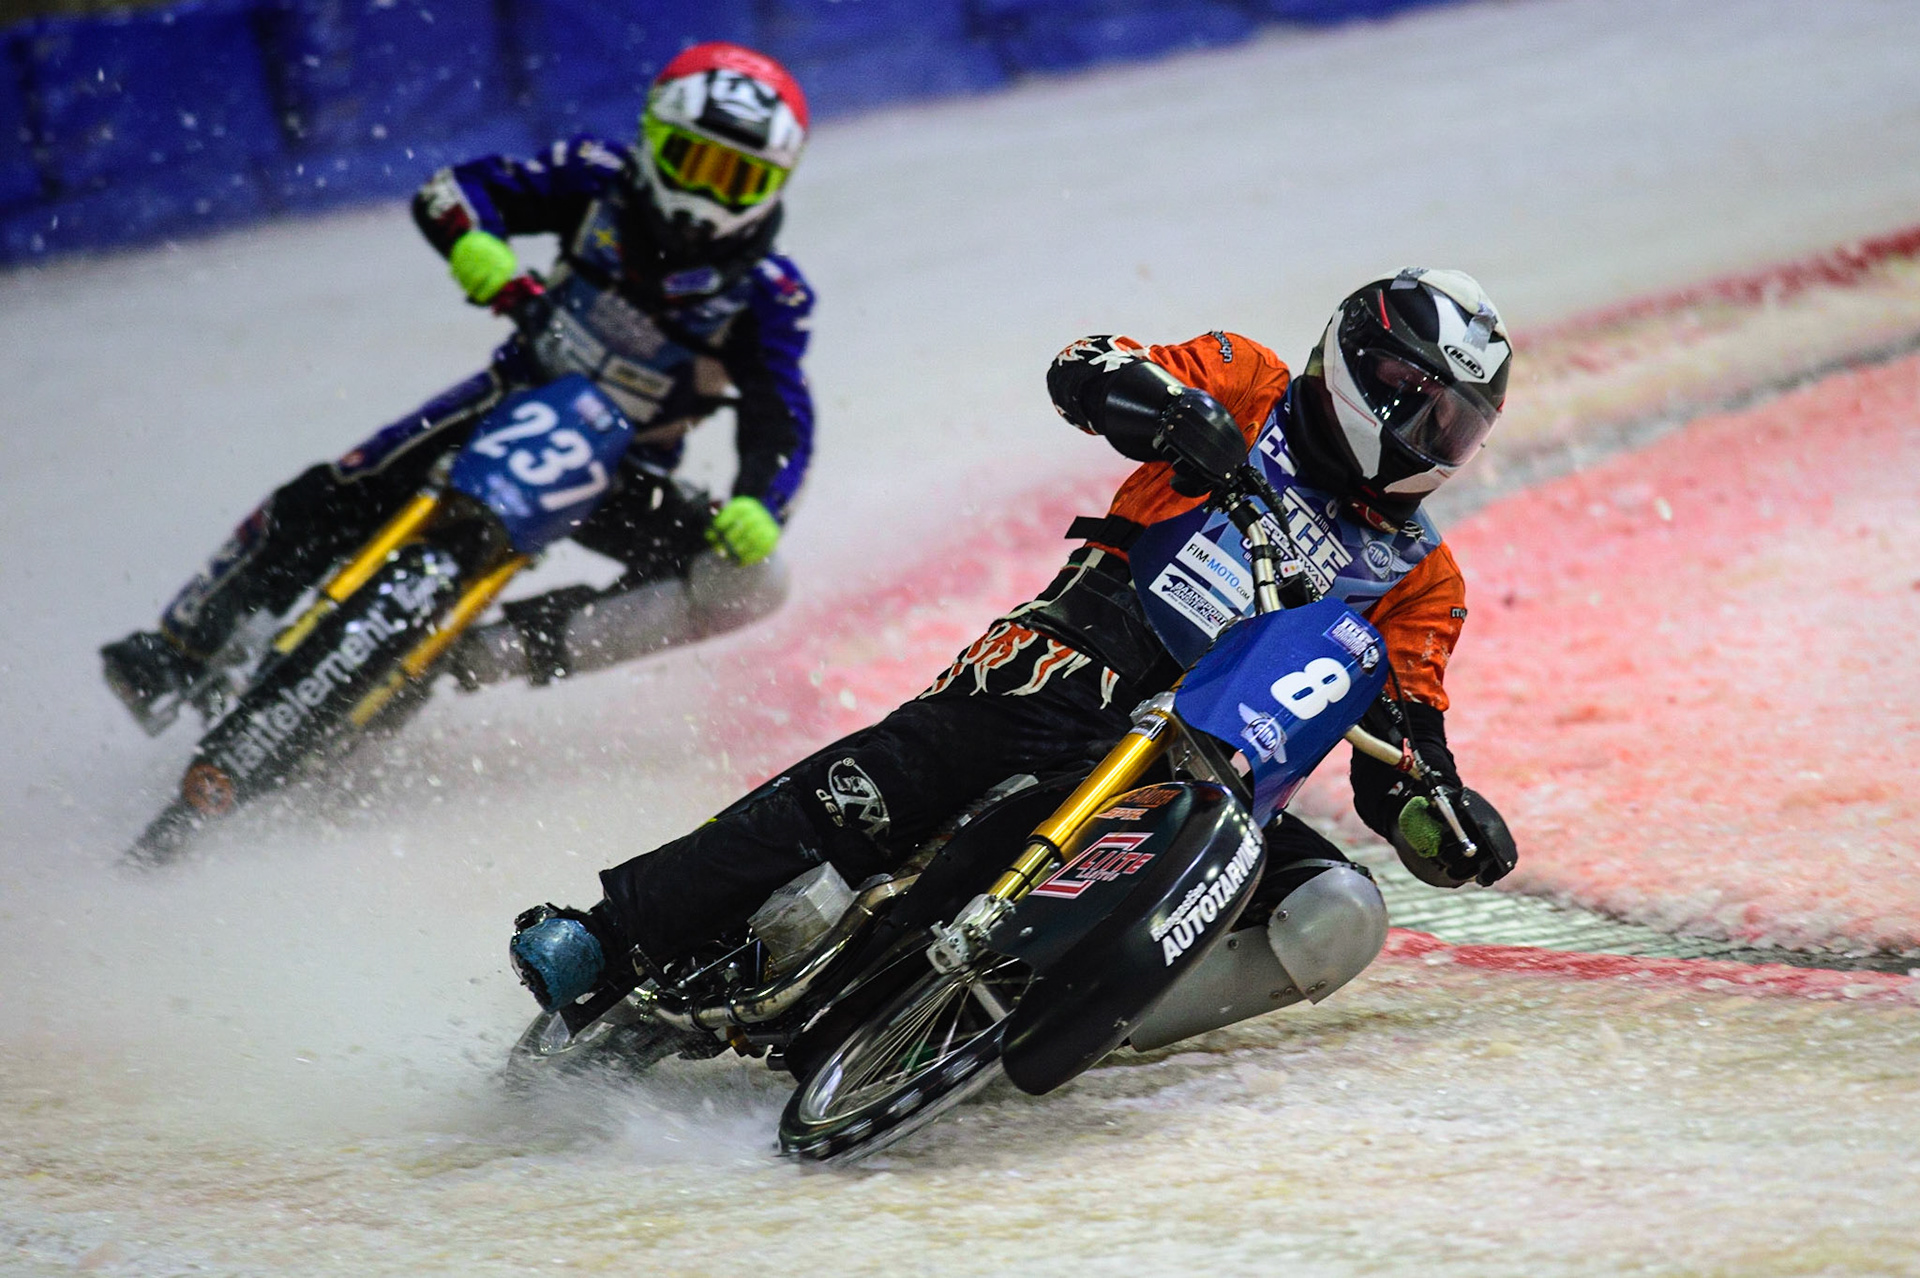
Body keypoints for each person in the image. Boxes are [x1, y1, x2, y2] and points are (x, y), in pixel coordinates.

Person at [509, 268, 1522, 1015]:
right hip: (1074, 659)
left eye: (1453, 424)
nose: (1425, 434)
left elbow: (1403, 745)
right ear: (1355, 358)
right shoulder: (1248, 381)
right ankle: (611, 933)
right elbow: (1086, 365)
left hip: (1216, 771)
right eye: (1415, 395)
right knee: (875, 787)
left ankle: (1098, 1020)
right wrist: (1169, 410)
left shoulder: (1425, 577)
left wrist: (1437, 815)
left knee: (1340, 911)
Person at [101, 41, 817, 731]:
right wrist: (475, 241)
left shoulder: (769, 295)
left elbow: (781, 413)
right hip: (509, 398)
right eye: (693, 161)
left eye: (737, 179)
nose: (705, 195)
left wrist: (762, 501)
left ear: (773, 187)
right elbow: (457, 190)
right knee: (339, 491)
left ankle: (484, 653)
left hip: (624, 473)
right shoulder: (594, 177)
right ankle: (181, 647)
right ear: (653, 141)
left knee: (750, 581)